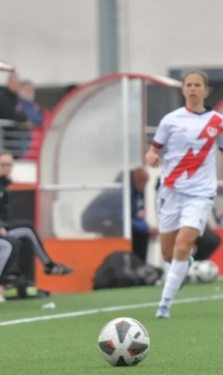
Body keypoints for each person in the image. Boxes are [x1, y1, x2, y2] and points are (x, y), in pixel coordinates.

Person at [146, 70, 223, 319]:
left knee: (183, 245)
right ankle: (184, 265)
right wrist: (152, 156)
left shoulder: (217, 122)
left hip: (200, 194)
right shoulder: (170, 120)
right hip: (170, 191)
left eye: (197, 84)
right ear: (183, 90)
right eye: (188, 84)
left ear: (205, 90)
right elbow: (153, 150)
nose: (192, 88)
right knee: (169, 254)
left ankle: (164, 306)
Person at [0, 151, 74, 275]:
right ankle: (48, 265)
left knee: (26, 237)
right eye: (3, 165)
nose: (6, 168)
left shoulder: (3, 184)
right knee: (27, 229)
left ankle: (21, 278)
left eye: (9, 165)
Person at [82, 167, 159, 262]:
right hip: (94, 221)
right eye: (142, 180)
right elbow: (122, 219)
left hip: (110, 220)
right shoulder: (120, 193)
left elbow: (136, 215)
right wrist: (146, 229)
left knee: (141, 233)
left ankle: (137, 264)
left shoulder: (135, 194)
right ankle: (132, 264)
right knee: (135, 233)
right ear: (134, 179)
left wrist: (146, 228)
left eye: (146, 181)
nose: (144, 185)